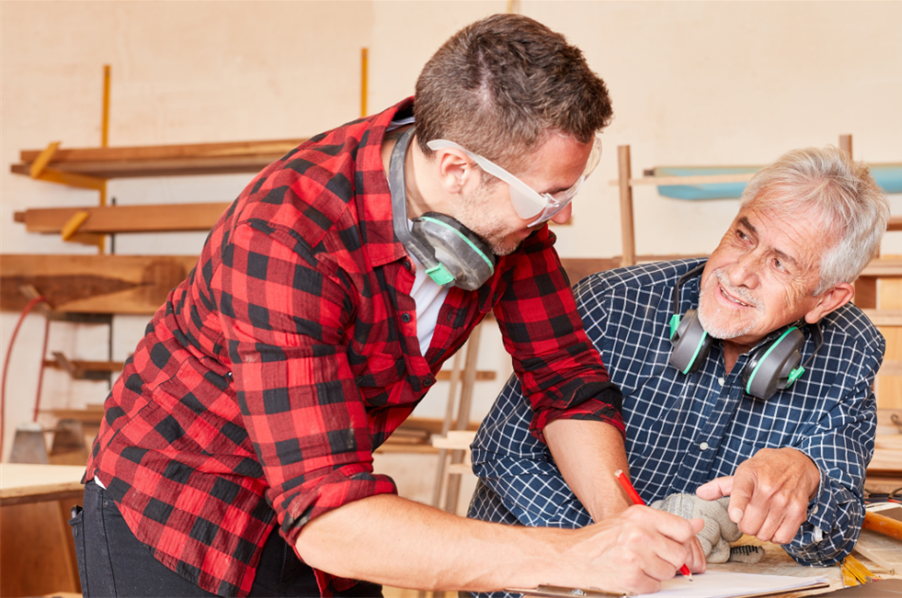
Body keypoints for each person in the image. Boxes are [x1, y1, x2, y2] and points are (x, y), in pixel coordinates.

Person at [76, 14, 699, 598]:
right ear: (457, 167)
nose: (559, 217)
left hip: (327, 506)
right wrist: (571, 556)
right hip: (179, 510)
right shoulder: (290, 235)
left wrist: (627, 530)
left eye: (569, 191)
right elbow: (329, 518)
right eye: (547, 198)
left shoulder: (505, 215)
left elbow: (565, 382)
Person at [468, 146, 891, 591]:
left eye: (779, 263)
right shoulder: (613, 304)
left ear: (826, 300)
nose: (740, 272)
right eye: (743, 237)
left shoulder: (850, 349)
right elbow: (505, 452)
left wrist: (807, 476)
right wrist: (614, 542)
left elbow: (833, 539)